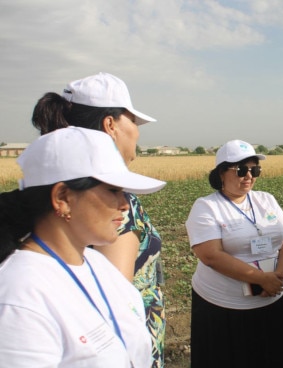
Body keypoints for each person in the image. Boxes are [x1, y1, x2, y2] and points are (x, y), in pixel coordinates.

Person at [31, 72, 166, 367]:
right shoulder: (112, 207)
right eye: (133, 121)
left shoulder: (49, 188)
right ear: (110, 125)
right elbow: (113, 305)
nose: (138, 133)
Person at [0, 127, 166, 367]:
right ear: (63, 198)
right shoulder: (19, 297)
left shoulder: (98, 264)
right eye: (113, 190)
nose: (125, 206)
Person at [185, 139, 283, 367]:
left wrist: (278, 277)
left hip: (273, 297)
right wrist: (260, 278)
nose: (249, 175)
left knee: (271, 357)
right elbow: (211, 256)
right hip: (224, 307)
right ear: (221, 173)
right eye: (241, 170)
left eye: (254, 169)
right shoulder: (206, 206)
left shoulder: (266, 200)